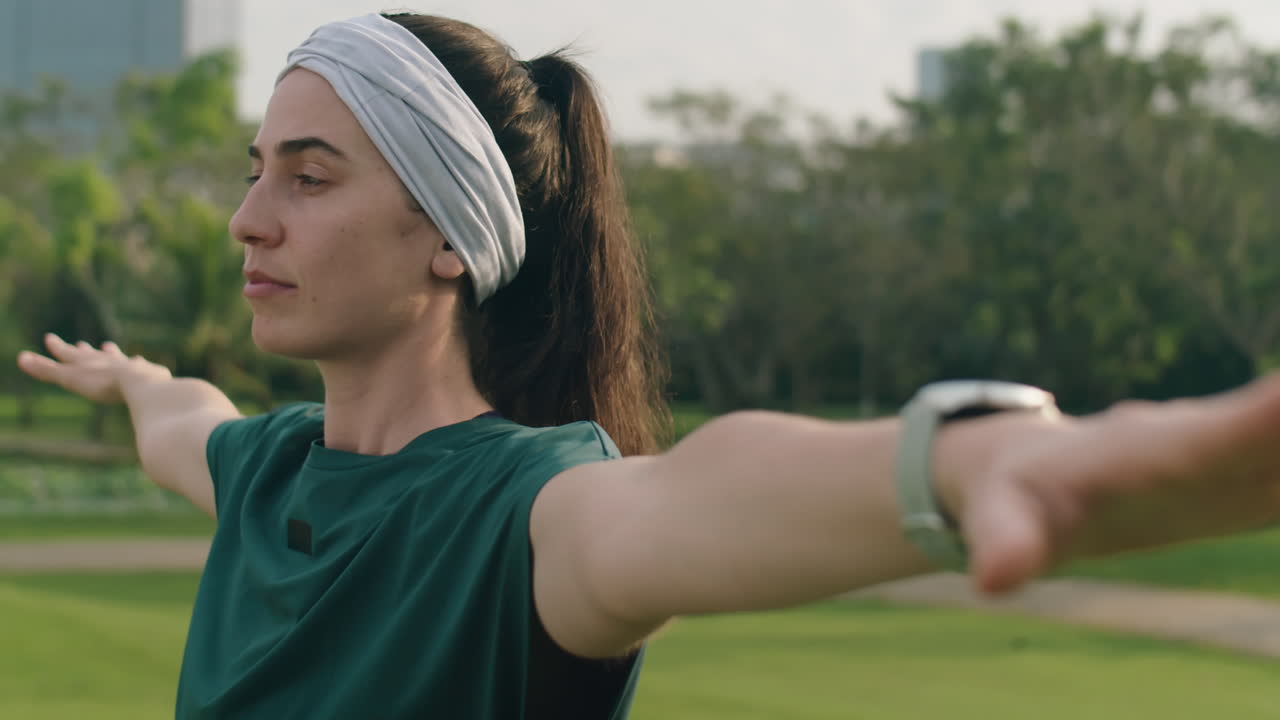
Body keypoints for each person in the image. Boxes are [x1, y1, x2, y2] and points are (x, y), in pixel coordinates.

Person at [14, 10, 1280, 720]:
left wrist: (980, 464)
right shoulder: (264, 467)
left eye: (310, 175)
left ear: (453, 239)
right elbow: (183, 415)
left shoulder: (523, 511)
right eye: (255, 170)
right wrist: (131, 379)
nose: (249, 218)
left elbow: (693, 495)